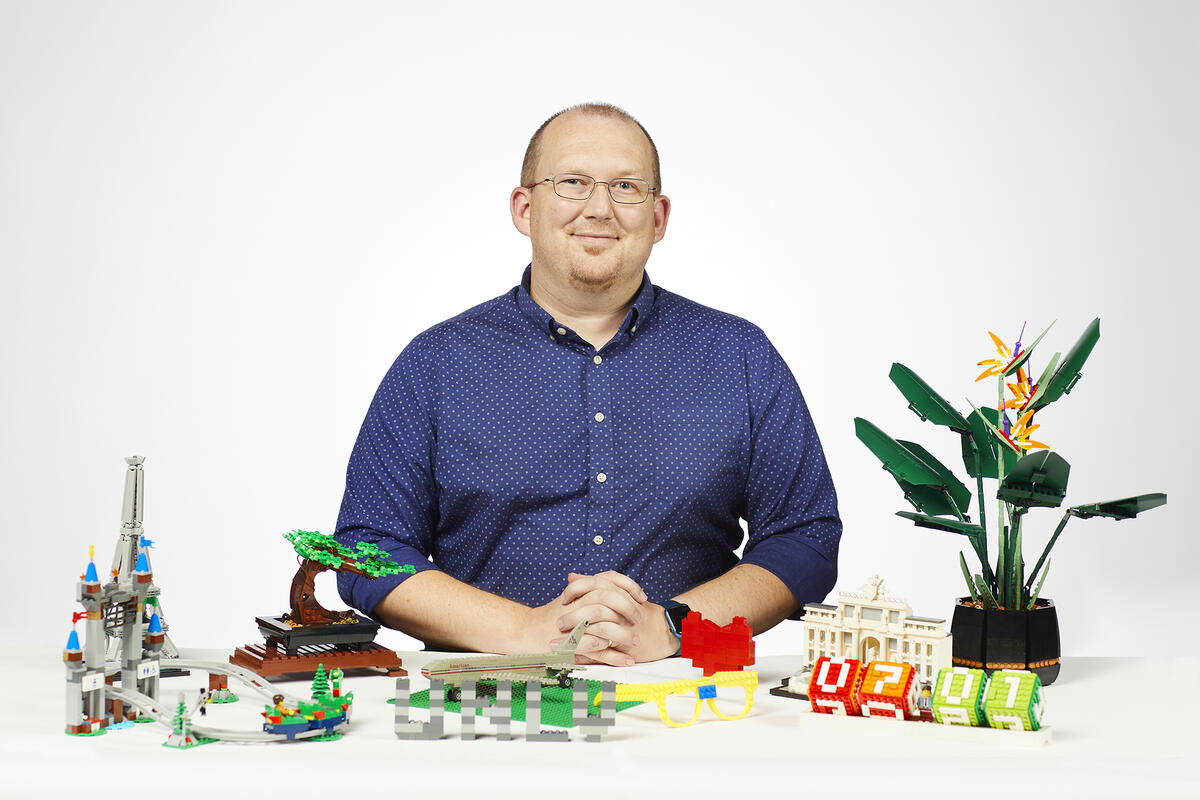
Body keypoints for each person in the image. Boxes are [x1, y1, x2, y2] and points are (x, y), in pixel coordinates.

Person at [334, 103, 841, 666]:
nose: (599, 208)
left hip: (686, 699)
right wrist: (523, 631)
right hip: (493, 694)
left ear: (658, 217)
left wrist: (674, 626)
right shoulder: (435, 363)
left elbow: (806, 538)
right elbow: (365, 550)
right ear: (524, 208)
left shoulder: (739, 355)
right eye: (572, 182)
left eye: (626, 187)